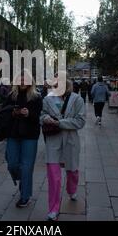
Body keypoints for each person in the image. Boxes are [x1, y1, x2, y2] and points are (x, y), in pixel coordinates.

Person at [41, 74, 86, 221]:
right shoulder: (48, 99)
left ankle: (72, 190)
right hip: (53, 141)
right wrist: (44, 119)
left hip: (71, 141)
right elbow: (41, 115)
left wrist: (60, 123)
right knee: (54, 177)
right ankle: (53, 209)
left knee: (72, 170)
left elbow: (80, 121)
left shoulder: (77, 99)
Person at [3, 71, 42, 208]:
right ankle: (23, 179)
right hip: (13, 134)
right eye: (21, 79)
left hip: (30, 135)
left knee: (26, 167)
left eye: (26, 80)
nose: (23, 82)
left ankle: (25, 196)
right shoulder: (11, 96)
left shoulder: (36, 97)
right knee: (12, 164)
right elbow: (3, 113)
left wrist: (28, 113)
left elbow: (38, 117)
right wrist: (13, 112)